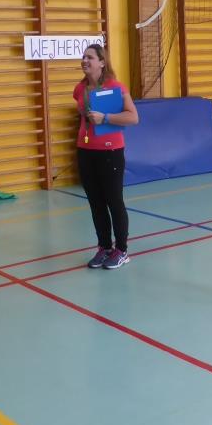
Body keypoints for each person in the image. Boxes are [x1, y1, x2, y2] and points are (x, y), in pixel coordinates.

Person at [74, 43, 139, 269]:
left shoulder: (116, 87)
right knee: (96, 202)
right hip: (85, 150)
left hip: (110, 152)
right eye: (83, 57)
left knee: (114, 201)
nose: (85, 61)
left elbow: (133, 117)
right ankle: (104, 247)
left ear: (102, 62)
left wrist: (106, 118)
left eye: (90, 57)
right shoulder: (80, 89)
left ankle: (121, 250)